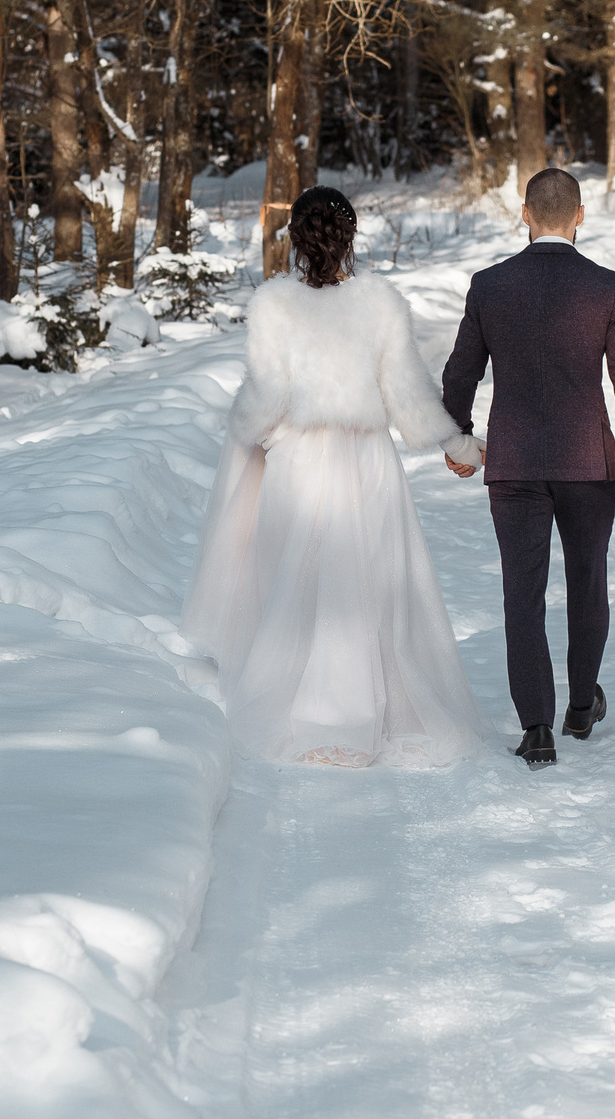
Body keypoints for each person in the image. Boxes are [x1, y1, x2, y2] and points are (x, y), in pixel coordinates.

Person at [182, 187, 486, 768]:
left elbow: (266, 394)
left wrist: (244, 429)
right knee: (368, 585)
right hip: (367, 460)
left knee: (299, 581)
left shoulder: (273, 303)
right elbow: (407, 394)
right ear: (350, 237)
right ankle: (374, 707)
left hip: (299, 463)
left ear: (294, 238)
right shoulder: (379, 303)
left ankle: (303, 703)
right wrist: (459, 445)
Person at [441, 167, 615, 768]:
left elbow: (461, 371)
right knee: (587, 581)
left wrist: (457, 437)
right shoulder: (606, 288)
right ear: (580, 216)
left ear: (524, 214)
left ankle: (536, 726)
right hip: (584, 462)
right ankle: (580, 704)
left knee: (523, 592)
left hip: (514, 462)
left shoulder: (489, 286)